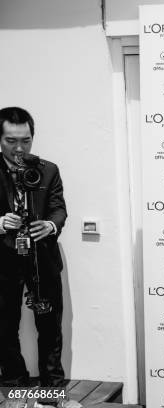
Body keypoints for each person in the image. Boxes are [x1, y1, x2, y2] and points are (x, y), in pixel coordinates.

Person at [0, 107, 68, 388]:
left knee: (50, 325)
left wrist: (50, 226)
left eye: (25, 140)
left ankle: (53, 387)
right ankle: (14, 382)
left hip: (42, 258)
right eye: (11, 141)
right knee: (3, 325)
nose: (19, 148)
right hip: (4, 260)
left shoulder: (47, 170)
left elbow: (58, 209)